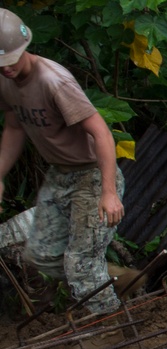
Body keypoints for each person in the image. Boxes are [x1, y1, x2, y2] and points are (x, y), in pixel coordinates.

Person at [0, 8, 128, 317]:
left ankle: (109, 327)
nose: (5, 69)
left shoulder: (54, 82)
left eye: (9, 61)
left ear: (24, 47)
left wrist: (108, 192)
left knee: (79, 264)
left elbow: (102, 133)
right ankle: (114, 277)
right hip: (60, 176)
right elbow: (15, 127)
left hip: (92, 177)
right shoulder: (6, 80)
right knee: (33, 252)